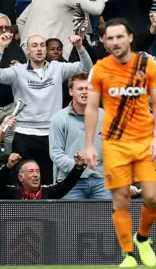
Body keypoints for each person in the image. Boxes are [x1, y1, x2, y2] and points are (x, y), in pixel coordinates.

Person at [84, 18, 156, 267]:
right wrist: (89, 145)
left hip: (144, 141)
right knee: (121, 200)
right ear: (104, 42)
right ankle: (129, 255)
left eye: (119, 37)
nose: (115, 42)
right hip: (114, 143)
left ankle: (142, 237)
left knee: (153, 197)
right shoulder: (99, 68)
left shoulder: (146, 64)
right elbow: (91, 108)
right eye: (110, 38)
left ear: (130, 37)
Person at [0, 34, 92, 185]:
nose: (39, 49)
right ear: (27, 51)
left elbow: (87, 69)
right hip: (24, 133)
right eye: (34, 46)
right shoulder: (18, 71)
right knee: (24, 182)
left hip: (51, 134)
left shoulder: (57, 68)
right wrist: (1, 48)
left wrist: (79, 47)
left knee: (49, 181)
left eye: (42, 45)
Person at [49, 73, 111, 200]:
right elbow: (56, 153)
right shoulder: (59, 119)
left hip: (101, 180)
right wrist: (78, 166)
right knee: (70, 220)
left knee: (106, 219)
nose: (85, 92)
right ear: (71, 91)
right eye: (80, 89)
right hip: (70, 181)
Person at [0, 152, 85, 199]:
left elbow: (67, 184)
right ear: (20, 177)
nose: (35, 175)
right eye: (31, 171)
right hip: (16, 230)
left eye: (37, 171)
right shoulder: (11, 193)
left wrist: (78, 168)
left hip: (43, 230)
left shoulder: (47, 192)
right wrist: (8, 167)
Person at [0, 15, 26, 152]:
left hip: (11, 105)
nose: (4, 31)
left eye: (7, 28)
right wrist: (0, 48)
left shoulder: (17, 50)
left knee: (10, 147)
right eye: (0, 28)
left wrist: (21, 67)